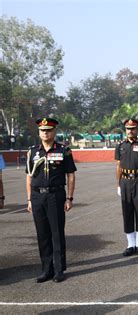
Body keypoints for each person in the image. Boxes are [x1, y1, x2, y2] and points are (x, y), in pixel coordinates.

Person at [26, 118, 77, 283]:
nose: (45, 133)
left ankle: (59, 269)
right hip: (37, 196)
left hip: (56, 196)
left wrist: (69, 198)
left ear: (54, 131)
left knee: (56, 233)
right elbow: (29, 176)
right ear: (39, 132)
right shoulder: (32, 152)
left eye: (48, 130)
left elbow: (70, 175)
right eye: (42, 130)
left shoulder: (64, 151)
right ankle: (46, 269)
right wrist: (29, 200)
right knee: (42, 234)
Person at [115, 119, 138, 256]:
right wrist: (118, 185)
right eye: (128, 128)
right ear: (125, 130)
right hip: (125, 181)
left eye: (133, 128)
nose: (130, 131)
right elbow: (118, 166)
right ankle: (130, 245)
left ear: (137, 130)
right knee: (127, 212)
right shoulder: (120, 146)